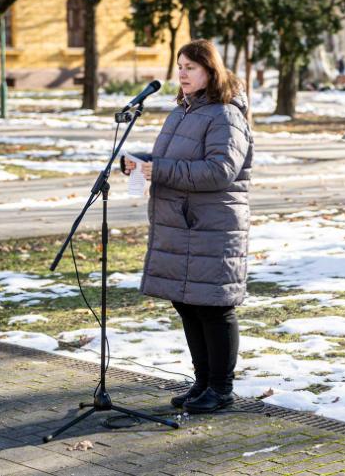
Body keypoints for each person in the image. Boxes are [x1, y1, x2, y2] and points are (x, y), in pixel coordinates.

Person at [123, 39, 253, 414]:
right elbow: (173, 157)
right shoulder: (183, 111)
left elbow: (220, 170)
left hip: (212, 224)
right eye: (179, 66)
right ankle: (202, 382)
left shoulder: (225, 115)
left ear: (210, 71)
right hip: (182, 223)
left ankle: (221, 388)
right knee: (187, 302)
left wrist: (159, 170)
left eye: (190, 67)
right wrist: (140, 161)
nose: (182, 74)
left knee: (213, 306)